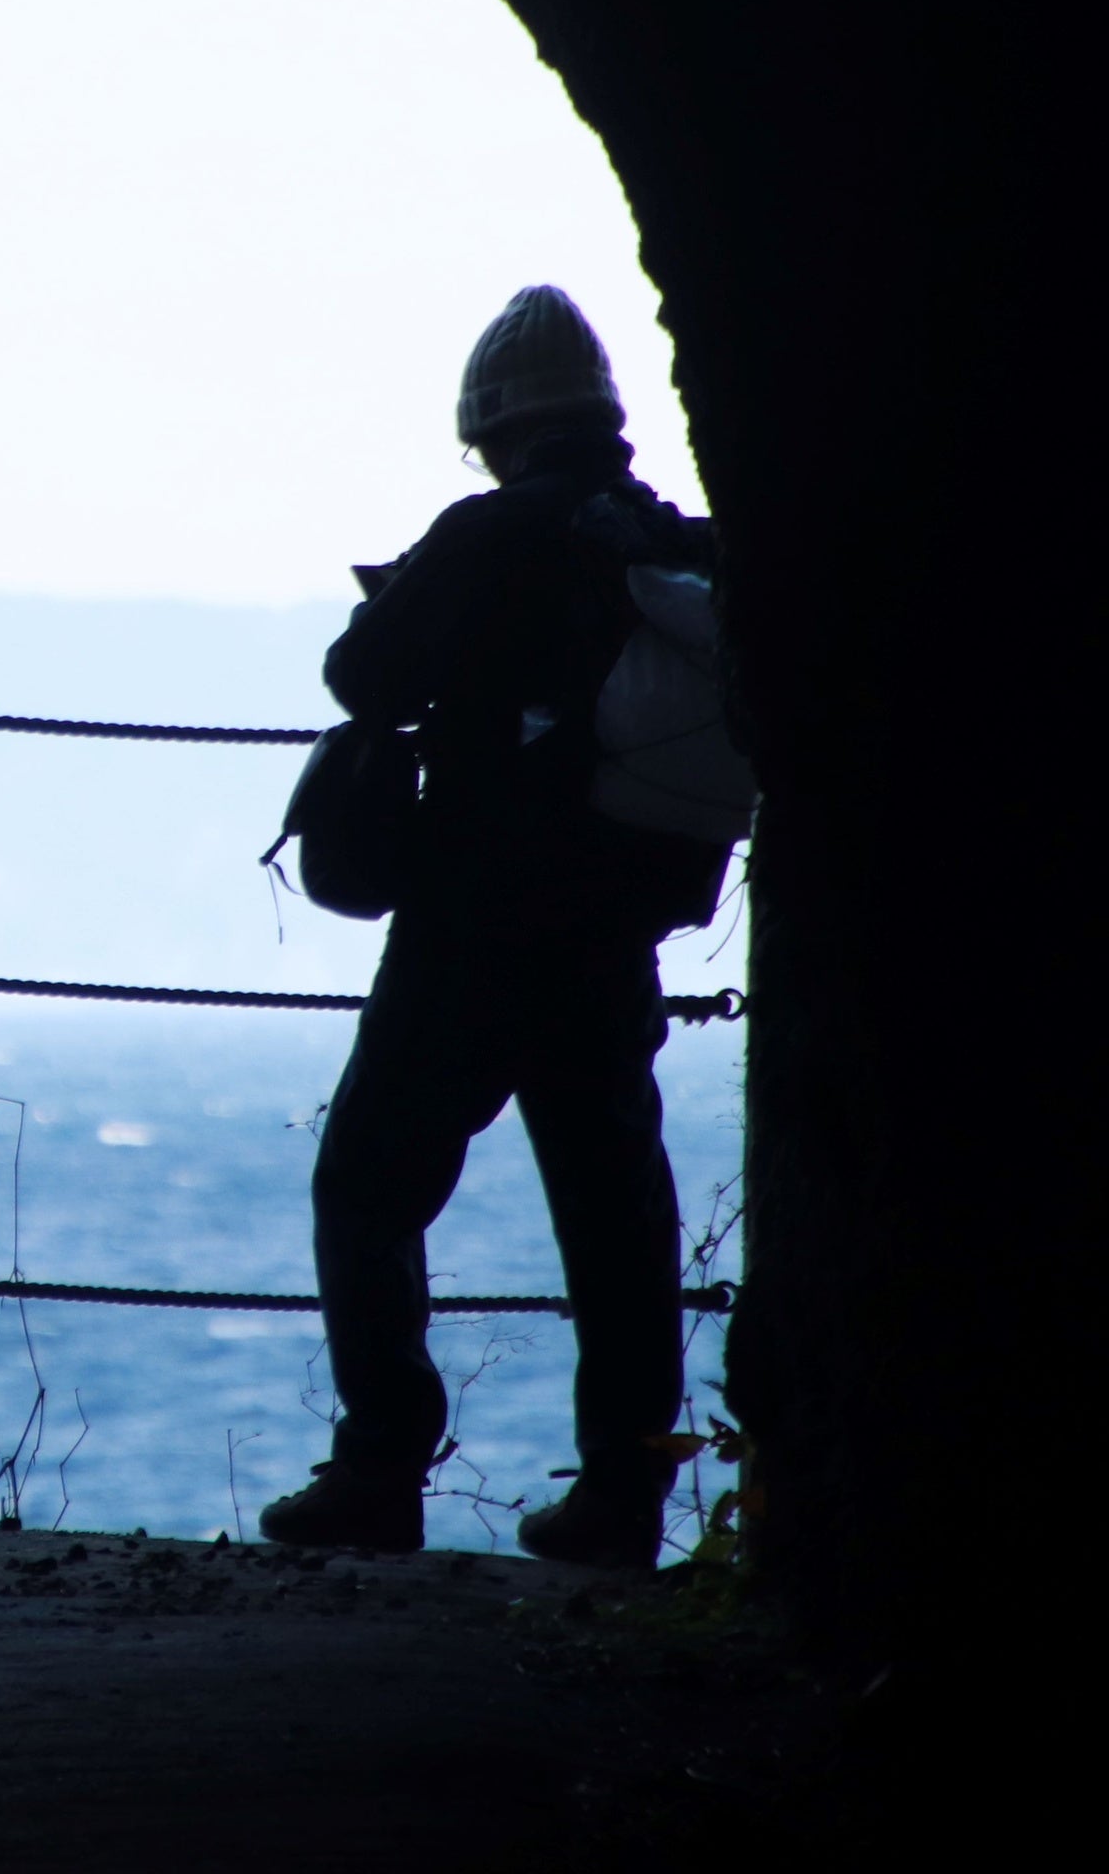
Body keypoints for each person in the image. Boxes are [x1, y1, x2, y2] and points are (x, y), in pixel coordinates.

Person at [260, 286, 732, 1566]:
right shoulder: (662, 536)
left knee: (369, 1182)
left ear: (492, 428)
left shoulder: (489, 530)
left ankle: (380, 1469)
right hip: (615, 927)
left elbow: (363, 674)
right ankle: (624, 1496)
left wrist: (421, 602)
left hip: (473, 922)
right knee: (614, 1211)